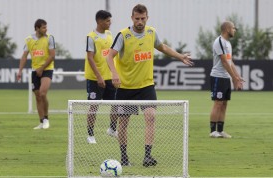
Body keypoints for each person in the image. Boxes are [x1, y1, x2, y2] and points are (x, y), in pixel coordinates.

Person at [106, 4, 193, 167]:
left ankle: (147, 156)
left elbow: (163, 47)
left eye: (143, 18)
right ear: (132, 18)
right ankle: (124, 158)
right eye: (137, 18)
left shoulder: (151, 33)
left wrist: (180, 56)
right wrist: (114, 74)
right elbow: (109, 57)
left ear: (147, 18)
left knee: (151, 117)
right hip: (126, 88)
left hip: (146, 87)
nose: (140, 21)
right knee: (123, 123)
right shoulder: (123, 36)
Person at [85, 10, 118, 144]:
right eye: (107, 21)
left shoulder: (110, 34)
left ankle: (112, 129)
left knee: (116, 104)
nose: (110, 23)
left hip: (110, 77)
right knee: (94, 106)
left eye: (110, 20)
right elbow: (90, 58)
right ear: (99, 21)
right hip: (95, 78)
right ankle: (90, 134)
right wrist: (99, 76)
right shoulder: (91, 37)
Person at [17, 19, 55, 129]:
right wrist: (20, 71)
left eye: (46, 27)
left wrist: (42, 68)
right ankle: (41, 121)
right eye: (43, 27)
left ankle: (46, 119)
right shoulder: (29, 39)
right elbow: (24, 56)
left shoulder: (50, 38)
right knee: (38, 96)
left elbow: (52, 55)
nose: (46, 29)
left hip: (47, 69)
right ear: (37, 28)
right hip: (35, 70)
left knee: (43, 93)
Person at [209, 21, 244, 138]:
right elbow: (224, 62)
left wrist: (237, 76)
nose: (234, 30)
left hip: (225, 78)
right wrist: (234, 78)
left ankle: (221, 130)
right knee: (218, 103)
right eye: (233, 28)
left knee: (224, 104)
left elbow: (230, 61)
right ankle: (213, 131)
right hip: (218, 76)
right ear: (227, 29)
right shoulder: (219, 41)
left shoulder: (228, 44)